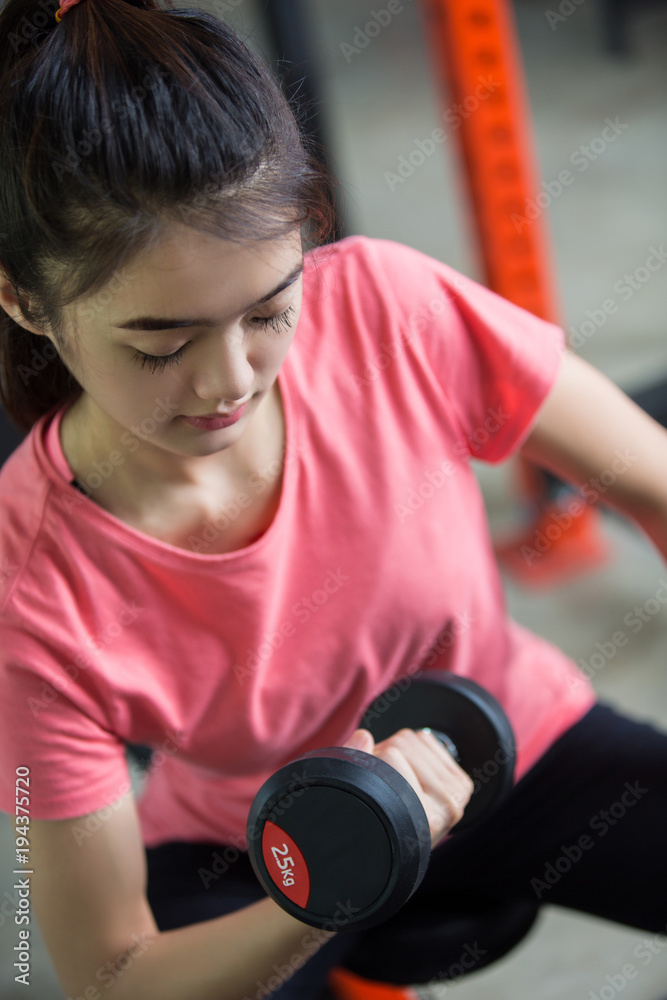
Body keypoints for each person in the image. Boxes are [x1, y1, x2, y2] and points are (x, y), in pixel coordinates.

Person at [0, 0, 665, 997]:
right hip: (257, 847)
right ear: (23, 299)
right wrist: (337, 882)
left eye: (269, 309)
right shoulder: (28, 585)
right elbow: (112, 974)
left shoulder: (387, 309)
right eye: (160, 344)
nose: (229, 380)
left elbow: (653, 483)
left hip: (505, 733)